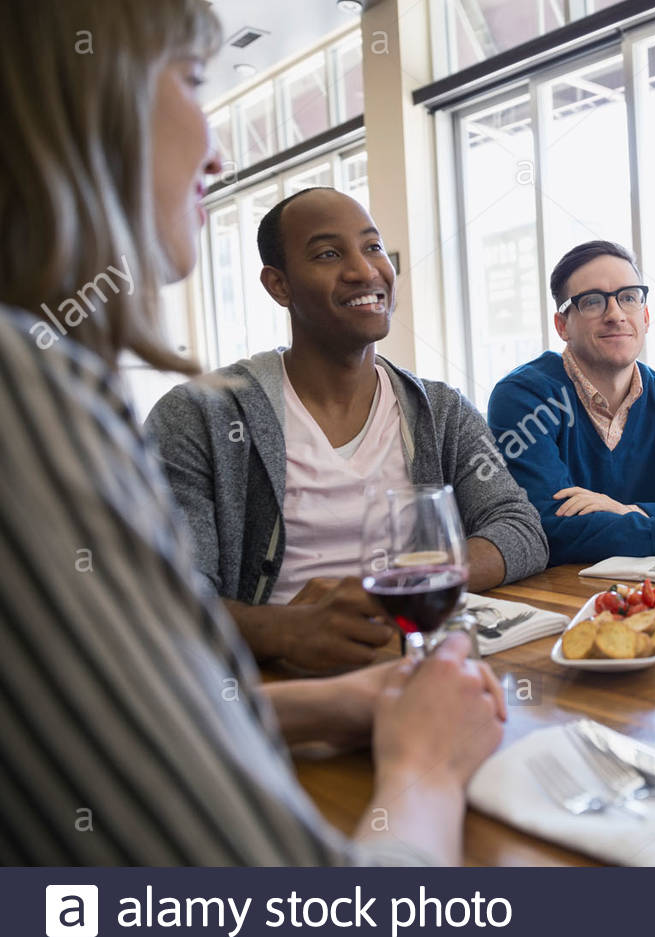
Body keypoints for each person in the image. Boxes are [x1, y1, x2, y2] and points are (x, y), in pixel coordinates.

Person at [0, 0, 503, 865]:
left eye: (375, 246)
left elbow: (127, 705)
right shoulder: (34, 391)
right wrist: (425, 764)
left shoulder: (436, 402)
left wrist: (325, 707)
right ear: (85, 97)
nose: (217, 149)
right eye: (192, 80)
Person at [146, 187, 548, 673]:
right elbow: (170, 600)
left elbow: (521, 530)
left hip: (416, 664)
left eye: (373, 247)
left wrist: (398, 586)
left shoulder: (440, 410)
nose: (364, 270)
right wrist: (282, 629)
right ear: (279, 286)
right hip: (275, 687)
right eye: (329, 254)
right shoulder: (199, 416)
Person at [487, 240, 655, 565]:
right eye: (592, 302)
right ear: (563, 325)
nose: (616, 315)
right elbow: (550, 529)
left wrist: (630, 510)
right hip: (561, 598)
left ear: (645, 317)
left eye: (629, 298)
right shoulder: (523, 397)